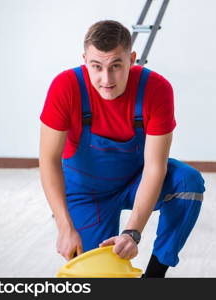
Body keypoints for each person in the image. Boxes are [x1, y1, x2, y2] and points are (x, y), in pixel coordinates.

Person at [39, 20, 205, 278]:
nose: (106, 79)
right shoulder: (66, 87)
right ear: (85, 60)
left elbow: (154, 167)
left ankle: (154, 277)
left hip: (134, 181)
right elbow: (48, 161)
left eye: (116, 66)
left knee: (188, 183)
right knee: (96, 276)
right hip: (85, 193)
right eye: (96, 67)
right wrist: (64, 227)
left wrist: (132, 232)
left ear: (132, 59)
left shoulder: (156, 89)